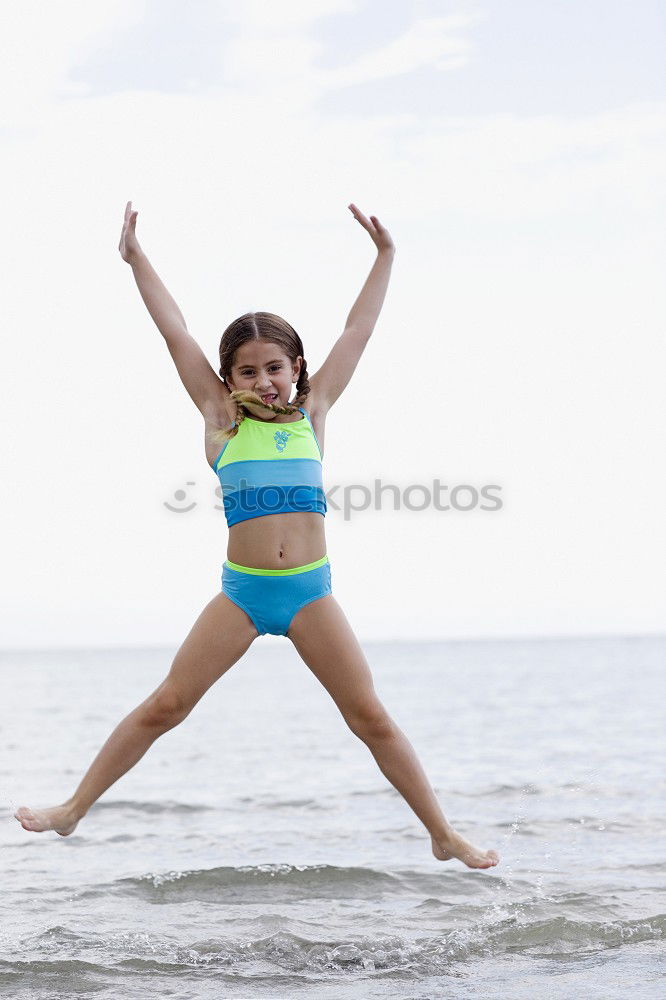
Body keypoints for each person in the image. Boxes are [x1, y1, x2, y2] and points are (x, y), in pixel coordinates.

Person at [14, 200, 499, 870]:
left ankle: (443, 835)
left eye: (276, 367)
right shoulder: (221, 420)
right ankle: (73, 809)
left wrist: (385, 256)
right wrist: (135, 258)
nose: (264, 381)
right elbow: (175, 333)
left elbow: (359, 329)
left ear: (296, 367)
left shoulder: (315, 410)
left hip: (310, 593)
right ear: (229, 379)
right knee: (167, 704)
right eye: (248, 371)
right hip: (243, 594)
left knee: (372, 719)